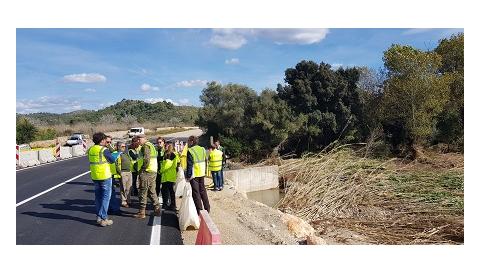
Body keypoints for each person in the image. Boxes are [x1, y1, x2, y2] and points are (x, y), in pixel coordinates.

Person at [88, 132, 119, 227]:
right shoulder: (104, 150)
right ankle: (103, 217)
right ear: (102, 141)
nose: (106, 141)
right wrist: (117, 153)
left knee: (98, 197)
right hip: (105, 176)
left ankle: (99, 216)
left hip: (95, 176)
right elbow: (112, 160)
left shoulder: (91, 149)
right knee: (106, 197)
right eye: (105, 139)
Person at [134, 134, 161, 219]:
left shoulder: (145, 146)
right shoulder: (151, 145)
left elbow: (146, 159)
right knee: (151, 191)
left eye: (139, 139)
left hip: (147, 171)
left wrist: (143, 168)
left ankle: (142, 212)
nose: (138, 141)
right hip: (153, 171)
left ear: (144, 139)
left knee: (143, 191)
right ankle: (157, 209)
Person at [186, 135, 210, 214]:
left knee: (196, 192)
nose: (188, 143)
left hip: (194, 174)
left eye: (188, 141)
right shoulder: (202, 149)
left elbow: (190, 165)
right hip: (202, 173)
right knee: (203, 190)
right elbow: (205, 160)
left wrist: (188, 176)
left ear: (192, 141)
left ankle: (199, 210)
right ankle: (207, 208)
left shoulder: (190, 151)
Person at [159, 141, 179, 210]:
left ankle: (166, 205)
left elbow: (167, 165)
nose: (165, 146)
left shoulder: (170, 155)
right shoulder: (170, 154)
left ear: (169, 146)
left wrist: (160, 171)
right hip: (169, 176)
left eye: (166, 145)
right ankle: (172, 205)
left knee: (165, 191)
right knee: (170, 191)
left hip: (168, 176)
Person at [116, 141, 133, 208]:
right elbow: (116, 164)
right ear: (119, 147)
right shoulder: (118, 154)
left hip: (129, 172)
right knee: (123, 188)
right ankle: (123, 201)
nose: (124, 148)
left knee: (129, 188)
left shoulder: (125, 154)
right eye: (122, 146)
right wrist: (120, 172)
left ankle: (128, 200)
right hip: (123, 172)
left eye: (125, 146)